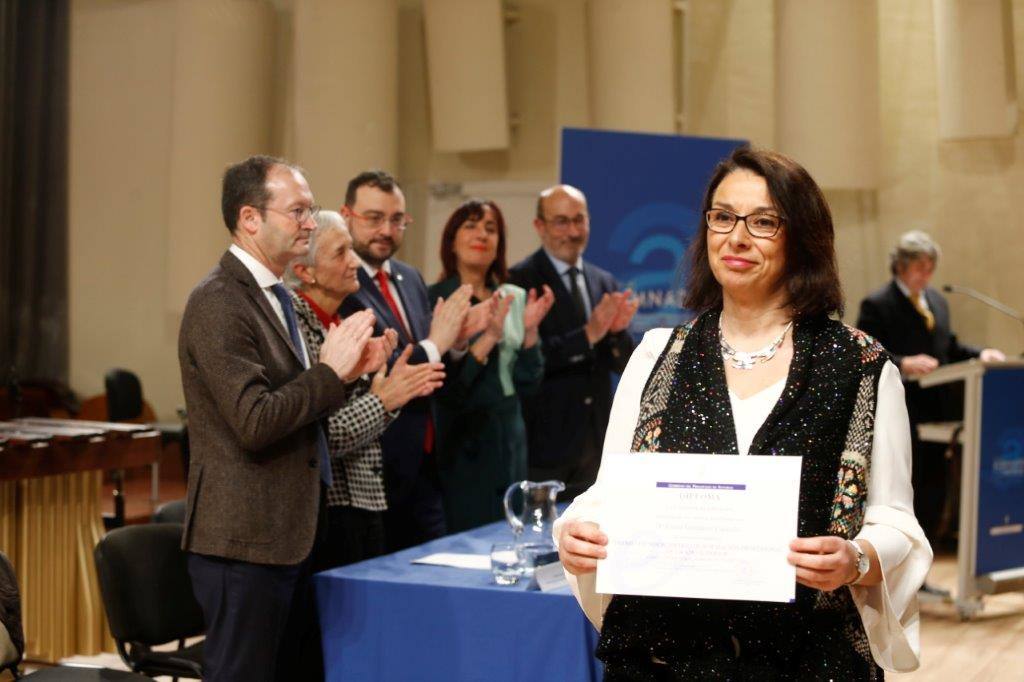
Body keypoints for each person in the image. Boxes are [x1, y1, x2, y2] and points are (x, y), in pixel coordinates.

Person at [555, 147, 932, 678]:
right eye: (723, 216)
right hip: (661, 661)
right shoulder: (657, 356)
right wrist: (575, 530)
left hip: (805, 661)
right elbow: (608, 494)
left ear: (802, 237)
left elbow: (896, 519)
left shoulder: (862, 367)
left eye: (763, 222)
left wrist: (858, 557)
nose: (736, 237)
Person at [179, 155, 390, 680]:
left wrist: (346, 374)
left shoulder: (273, 295)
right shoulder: (218, 301)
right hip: (242, 538)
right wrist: (329, 374)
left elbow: (296, 408)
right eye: (297, 211)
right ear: (250, 218)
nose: (309, 223)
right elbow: (254, 420)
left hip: (286, 532)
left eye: (310, 211)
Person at [339, 170, 491, 550]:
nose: (386, 230)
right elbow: (383, 367)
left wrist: (456, 342)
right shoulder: (341, 282)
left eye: (396, 220)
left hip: (428, 462)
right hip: (378, 462)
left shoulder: (410, 277)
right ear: (346, 215)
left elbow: (434, 369)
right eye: (373, 218)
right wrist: (438, 342)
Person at [287, 210, 446, 567]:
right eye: (340, 253)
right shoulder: (294, 326)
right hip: (328, 510)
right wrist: (383, 399)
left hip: (366, 501)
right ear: (305, 272)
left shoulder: (346, 322)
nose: (355, 262)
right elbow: (322, 437)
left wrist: (390, 396)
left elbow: (360, 423)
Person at [856, 231, 1005, 544]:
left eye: (930, 268)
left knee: (936, 486)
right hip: (904, 408)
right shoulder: (878, 303)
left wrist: (981, 354)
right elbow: (865, 354)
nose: (927, 275)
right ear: (901, 266)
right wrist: (904, 361)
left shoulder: (936, 300)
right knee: (913, 484)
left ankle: (928, 555)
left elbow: (947, 347)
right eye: (920, 268)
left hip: (940, 408)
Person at [428, 199, 555, 532]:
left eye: (490, 228)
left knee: (513, 533)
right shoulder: (437, 299)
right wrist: (487, 339)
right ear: (451, 240)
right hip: (464, 441)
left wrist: (528, 333)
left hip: (510, 436)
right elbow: (448, 391)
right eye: (470, 226)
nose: (481, 235)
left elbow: (528, 384)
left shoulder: (511, 295)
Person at [509, 184, 639, 499]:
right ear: (539, 226)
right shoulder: (519, 280)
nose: (572, 231)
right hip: (545, 445)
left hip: (597, 446)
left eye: (579, 220)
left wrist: (617, 333)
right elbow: (523, 362)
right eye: (561, 221)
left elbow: (623, 365)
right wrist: (587, 335)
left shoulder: (602, 280)